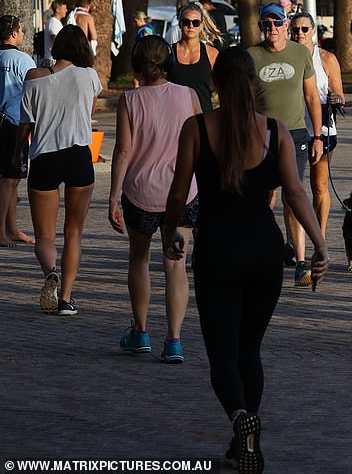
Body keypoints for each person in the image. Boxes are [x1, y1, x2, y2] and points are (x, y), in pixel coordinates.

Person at [162, 47, 329, 469]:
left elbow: (179, 193)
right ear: (255, 83)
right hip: (264, 251)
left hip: (218, 249)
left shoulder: (196, 129)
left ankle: (240, 419)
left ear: (215, 84)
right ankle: (248, 443)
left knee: (222, 354)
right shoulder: (275, 131)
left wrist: (169, 234)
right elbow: (295, 192)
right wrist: (321, 244)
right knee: (250, 350)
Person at [109, 36, 202, 362]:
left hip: (140, 193)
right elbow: (201, 145)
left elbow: (123, 151)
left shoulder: (129, 100)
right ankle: (174, 340)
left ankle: (141, 331)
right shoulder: (188, 96)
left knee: (140, 260)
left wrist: (112, 197)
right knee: (176, 265)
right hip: (183, 192)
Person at [17, 25, 101, 315]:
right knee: (74, 231)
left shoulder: (34, 78)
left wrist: (18, 153)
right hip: (79, 155)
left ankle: (50, 272)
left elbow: (25, 124)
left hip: (45, 156)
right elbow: (88, 113)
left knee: (44, 237)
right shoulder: (89, 76)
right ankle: (65, 298)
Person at [247, 3, 325, 287]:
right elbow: (244, 100)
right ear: (261, 27)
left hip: (294, 134)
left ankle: (301, 261)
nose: (272, 29)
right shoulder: (251, 56)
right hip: (261, 134)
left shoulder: (300, 53)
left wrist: (317, 136)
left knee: (294, 194)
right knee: (262, 196)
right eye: (266, 24)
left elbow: (312, 97)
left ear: (285, 25)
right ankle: (262, 252)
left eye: (277, 23)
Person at [290, 12, 343, 238]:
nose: (299, 34)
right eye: (295, 30)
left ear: (313, 31)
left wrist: (335, 98)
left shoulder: (327, 59)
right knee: (293, 189)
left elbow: (340, 94)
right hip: (292, 126)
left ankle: (319, 238)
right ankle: (293, 242)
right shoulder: (285, 56)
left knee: (319, 186)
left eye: (304, 29)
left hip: (321, 128)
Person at [0, 15, 36, 247]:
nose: (23, 34)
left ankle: (11, 228)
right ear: (13, 33)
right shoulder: (24, 61)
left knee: (12, 180)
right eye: (22, 30)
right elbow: (34, 93)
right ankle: (2, 231)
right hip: (14, 124)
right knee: (9, 179)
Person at [166, 2, 219, 113]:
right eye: (186, 22)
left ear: (201, 26)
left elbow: (223, 87)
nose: (191, 26)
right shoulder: (168, 52)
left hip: (203, 117)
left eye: (195, 23)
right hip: (174, 116)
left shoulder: (212, 53)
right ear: (180, 25)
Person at [43, 0, 67, 66]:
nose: (66, 10)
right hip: (52, 60)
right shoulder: (53, 22)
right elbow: (55, 39)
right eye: (64, 9)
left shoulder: (56, 22)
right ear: (57, 10)